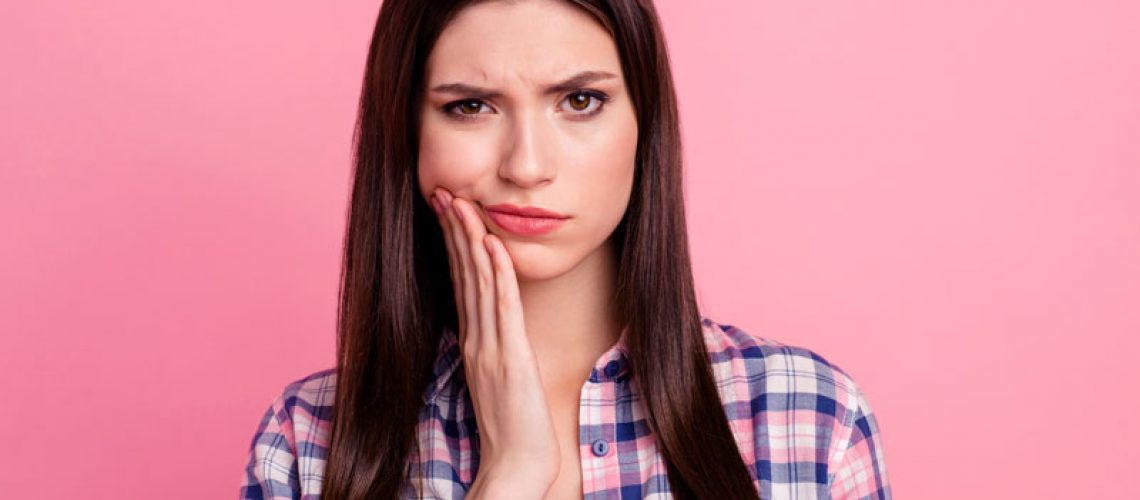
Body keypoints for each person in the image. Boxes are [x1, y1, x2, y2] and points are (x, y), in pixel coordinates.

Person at [239, 0, 891, 498]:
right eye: (470, 106)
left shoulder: (807, 415)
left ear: (644, 124)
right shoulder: (309, 441)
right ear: (409, 137)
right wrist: (511, 474)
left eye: (580, 101)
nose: (526, 166)